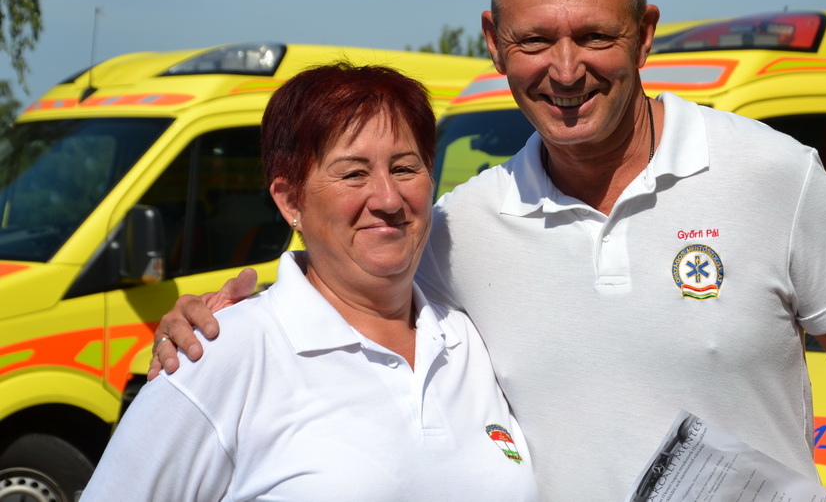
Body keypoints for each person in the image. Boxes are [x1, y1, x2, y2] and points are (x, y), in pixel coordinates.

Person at [154, 0, 826, 501]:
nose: (565, 69)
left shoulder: (771, 174)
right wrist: (220, 324)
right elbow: (344, 280)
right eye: (534, 40)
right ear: (493, 42)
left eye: (593, 35)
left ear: (644, 35)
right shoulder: (456, 231)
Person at [82, 63, 538, 501]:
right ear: (290, 201)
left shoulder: (470, 343)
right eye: (353, 173)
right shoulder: (221, 356)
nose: (387, 198)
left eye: (404, 168)